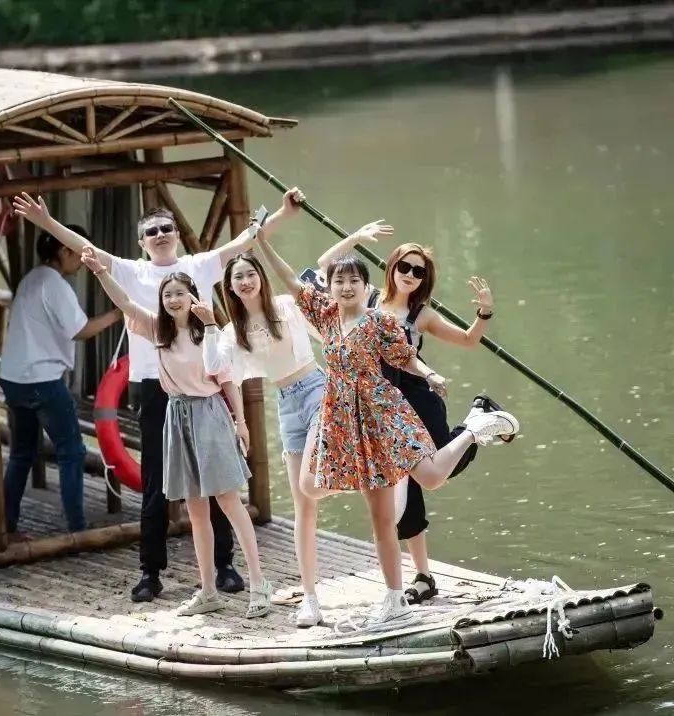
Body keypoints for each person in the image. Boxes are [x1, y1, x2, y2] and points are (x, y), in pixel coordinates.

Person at [12, 190, 299, 602]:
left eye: (167, 228)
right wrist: (46, 223)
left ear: (178, 235)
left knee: (217, 482)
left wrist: (285, 213)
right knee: (155, 484)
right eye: (152, 231)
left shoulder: (198, 266)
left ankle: (225, 565)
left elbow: (247, 240)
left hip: (204, 388)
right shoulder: (133, 272)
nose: (161, 234)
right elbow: (86, 250)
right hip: (156, 388)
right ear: (142, 242)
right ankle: (150, 571)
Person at [259, 231, 520, 627]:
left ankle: (474, 427)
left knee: (429, 479)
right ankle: (395, 598)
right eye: (339, 282)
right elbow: (292, 281)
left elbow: (406, 358)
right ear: (330, 288)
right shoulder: (326, 316)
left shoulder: (380, 320)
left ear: (366, 288)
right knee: (365, 511)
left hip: (384, 411)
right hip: (347, 420)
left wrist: (430, 372)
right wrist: (261, 241)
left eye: (353, 282)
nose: (346, 287)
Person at [82, 252, 273, 618]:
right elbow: (123, 302)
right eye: (167, 295)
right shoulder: (157, 328)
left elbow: (225, 378)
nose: (172, 300)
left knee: (229, 502)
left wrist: (241, 423)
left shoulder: (208, 332)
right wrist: (102, 272)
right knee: (195, 510)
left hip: (209, 413)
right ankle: (208, 591)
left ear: (192, 296)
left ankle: (260, 584)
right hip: (177, 414)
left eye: (179, 294)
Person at [320, 236, 506, 604]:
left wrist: (484, 313)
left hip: (417, 399)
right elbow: (327, 266)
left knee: (437, 473)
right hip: (378, 407)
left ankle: (475, 421)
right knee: (404, 492)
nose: (409, 274)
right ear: (391, 267)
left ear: (424, 279)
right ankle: (422, 576)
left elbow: (468, 341)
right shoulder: (365, 297)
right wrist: (356, 239)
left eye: (418, 271)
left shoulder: (422, 315)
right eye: (404, 266)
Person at [198, 205, 352, 628]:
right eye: (237, 278)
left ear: (261, 279)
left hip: (317, 389)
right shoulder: (233, 333)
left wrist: (352, 241)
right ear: (230, 288)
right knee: (305, 508)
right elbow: (216, 366)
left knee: (310, 483)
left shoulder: (286, 305)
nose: (245, 281)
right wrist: (211, 326)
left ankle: (356, 469)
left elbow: (322, 281)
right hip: (285, 403)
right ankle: (311, 600)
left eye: (250, 274)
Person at [0, 228, 121, 538]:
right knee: (71, 452)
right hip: (42, 380)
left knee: (21, 453)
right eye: (78, 255)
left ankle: (6, 524)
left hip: (14, 379)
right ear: (65, 252)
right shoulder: (55, 285)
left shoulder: (32, 278)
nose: (80, 262)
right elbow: (80, 330)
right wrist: (120, 314)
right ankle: (77, 527)